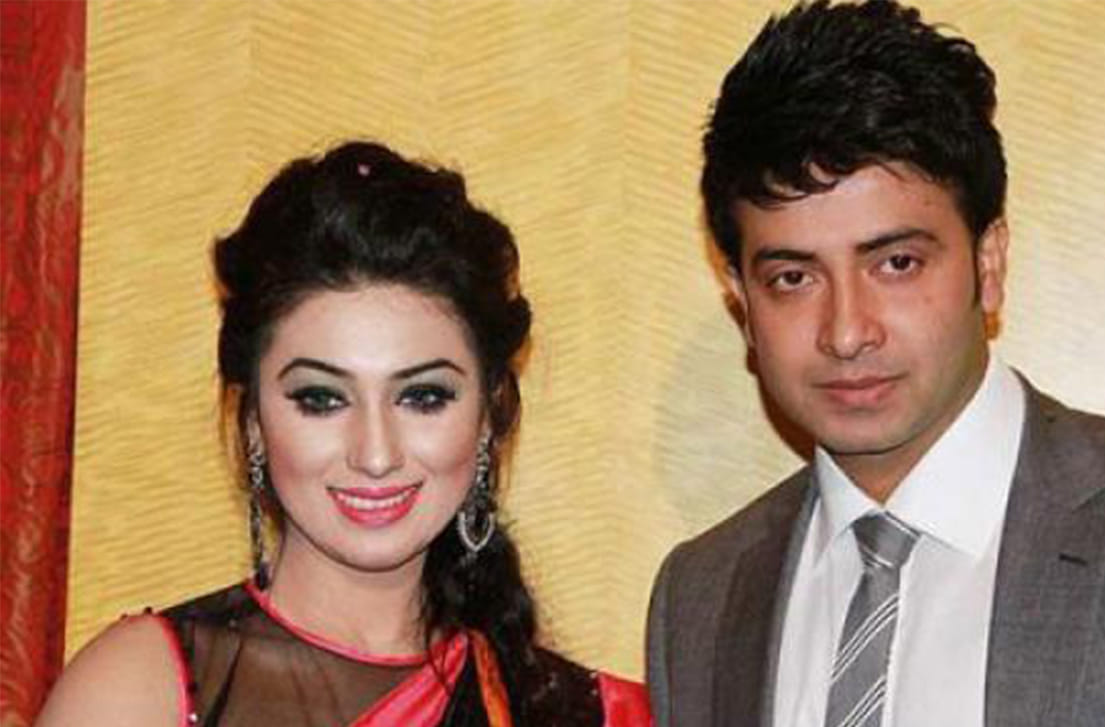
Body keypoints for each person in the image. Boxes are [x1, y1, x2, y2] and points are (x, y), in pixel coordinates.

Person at [645, 2, 1105, 726]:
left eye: (896, 263)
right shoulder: (697, 597)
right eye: (793, 278)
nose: (847, 332)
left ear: (989, 262)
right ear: (742, 300)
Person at [39, 141, 651, 727]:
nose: (375, 454)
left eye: (423, 397)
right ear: (254, 422)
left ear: (489, 415)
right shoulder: (139, 687)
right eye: (322, 399)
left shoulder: (596, 715)